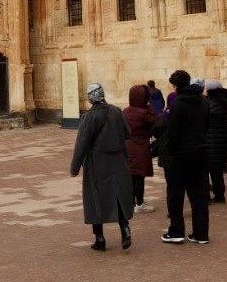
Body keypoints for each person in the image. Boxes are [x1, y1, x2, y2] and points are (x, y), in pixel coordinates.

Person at [70, 83, 134, 252]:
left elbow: (82, 143)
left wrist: (75, 167)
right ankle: (125, 229)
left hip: (97, 162)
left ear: (90, 97)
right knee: (118, 196)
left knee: (95, 198)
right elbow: (127, 133)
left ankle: (99, 238)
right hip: (118, 160)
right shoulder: (116, 111)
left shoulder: (89, 116)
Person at [161, 70, 209, 245]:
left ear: (176, 86)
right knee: (199, 195)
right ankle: (201, 233)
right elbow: (207, 125)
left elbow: (173, 132)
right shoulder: (203, 101)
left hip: (180, 155)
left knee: (175, 194)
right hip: (200, 152)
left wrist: (171, 149)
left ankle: (176, 231)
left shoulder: (178, 103)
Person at [124, 84, 157, 212]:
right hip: (140, 146)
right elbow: (154, 124)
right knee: (139, 176)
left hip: (128, 146)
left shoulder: (126, 111)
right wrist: (149, 108)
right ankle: (139, 204)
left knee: (132, 176)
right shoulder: (144, 113)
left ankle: (131, 202)